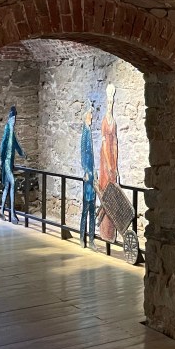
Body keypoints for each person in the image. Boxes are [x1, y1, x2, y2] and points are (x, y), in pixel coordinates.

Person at [97, 84, 119, 243]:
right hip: (105, 160)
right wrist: (109, 165)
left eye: (112, 102)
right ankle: (103, 228)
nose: (110, 105)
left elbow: (115, 142)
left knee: (113, 191)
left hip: (111, 157)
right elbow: (105, 144)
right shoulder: (105, 121)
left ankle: (111, 231)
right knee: (105, 190)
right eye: (109, 102)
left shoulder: (114, 122)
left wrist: (115, 164)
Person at [0, 105, 25, 223]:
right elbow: (3, 145)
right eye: (13, 119)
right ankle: (12, 213)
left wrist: (22, 154)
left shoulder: (12, 132)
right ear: (9, 119)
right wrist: (0, 159)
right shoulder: (7, 130)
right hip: (6, 162)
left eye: (15, 120)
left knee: (8, 186)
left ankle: (2, 210)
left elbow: (16, 145)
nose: (14, 122)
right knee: (13, 183)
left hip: (10, 161)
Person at [80, 106, 97, 249]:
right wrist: (86, 170)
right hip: (88, 175)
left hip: (92, 173)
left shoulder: (89, 131)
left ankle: (91, 239)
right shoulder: (85, 132)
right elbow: (83, 153)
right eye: (90, 115)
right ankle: (82, 238)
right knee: (86, 208)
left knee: (92, 210)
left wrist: (94, 171)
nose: (92, 117)